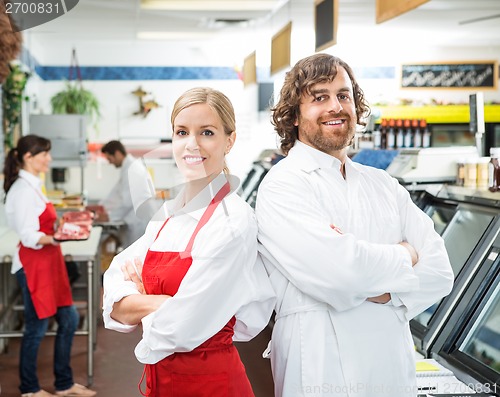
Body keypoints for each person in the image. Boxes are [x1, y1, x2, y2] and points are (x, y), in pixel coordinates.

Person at [255, 53, 454, 397]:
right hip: (319, 368)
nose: (335, 106)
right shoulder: (282, 185)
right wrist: (405, 255)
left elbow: (440, 272)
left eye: (343, 95)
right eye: (319, 97)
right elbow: (341, 273)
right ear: (294, 115)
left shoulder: (384, 184)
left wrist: (382, 288)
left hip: (390, 369)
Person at [102, 87, 276, 396]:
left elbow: (179, 327)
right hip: (161, 383)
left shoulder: (233, 222)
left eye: (206, 132)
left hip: (211, 384)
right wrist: (167, 303)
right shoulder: (168, 215)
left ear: (229, 140)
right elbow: (113, 289)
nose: (191, 144)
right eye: (182, 132)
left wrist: (142, 297)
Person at [3, 135, 96, 397]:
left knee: (68, 319)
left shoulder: (34, 185)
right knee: (37, 326)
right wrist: (59, 236)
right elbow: (29, 236)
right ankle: (30, 389)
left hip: (49, 261)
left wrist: (66, 225)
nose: (50, 158)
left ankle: (64, 384)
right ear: (28, 157)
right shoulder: (21, 191)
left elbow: (42, 223)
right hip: (33, 265)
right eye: (44, 154)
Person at [99, 140, 157, 248]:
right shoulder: (129, 168)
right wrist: (102, 206)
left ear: (117, 153)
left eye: (109, 158)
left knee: (137, 256)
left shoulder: (132, 169)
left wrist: (109, 217)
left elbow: (127, 202)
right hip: (136, 220)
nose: (109, 162)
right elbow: (116, 192)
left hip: (140, 222)